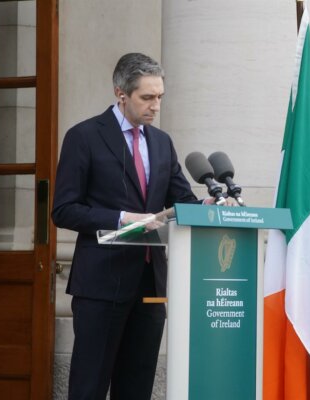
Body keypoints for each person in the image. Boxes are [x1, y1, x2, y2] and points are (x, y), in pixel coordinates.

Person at [52, 53, 204, 399]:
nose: (156, 106)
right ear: (120, 93)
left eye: (160, 96)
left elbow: (183, 199)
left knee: (137, 389)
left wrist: (209, 207)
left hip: (150, 286)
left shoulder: (162, 142)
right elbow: (63, 210)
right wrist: (121, 218)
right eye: (147, 97)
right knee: (89, 388)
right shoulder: (84, 137)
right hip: (101, 286)